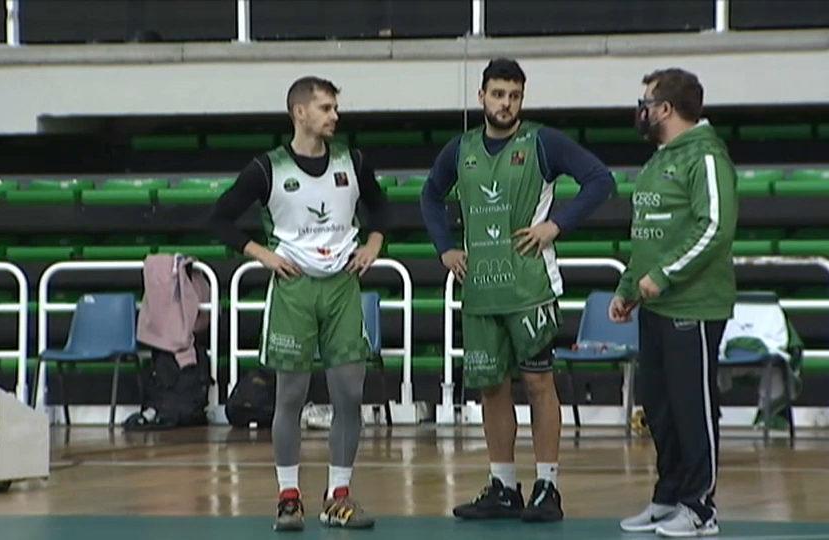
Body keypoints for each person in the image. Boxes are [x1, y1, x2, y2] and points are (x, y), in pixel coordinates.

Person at [420, 58, 616, 523]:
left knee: (538, 383)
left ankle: (547, 486)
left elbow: (600, 179)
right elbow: (430, 195)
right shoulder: (460, 148)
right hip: (480, 289)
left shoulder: (543, 142)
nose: (506, 103)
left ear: (521, 100)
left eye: (514, 95)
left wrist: (557, 224)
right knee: (490, 387)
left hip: (530, 286)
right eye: (498, 94)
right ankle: (504, 486)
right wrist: (445, 249)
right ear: (481, 97)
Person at [208, 76, 388, 532]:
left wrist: (374, 244)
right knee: (290, 395)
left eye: (335, 108)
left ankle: (339, 496)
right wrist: (262, 254)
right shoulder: (267, 168)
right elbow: (220, 218)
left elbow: (382, 209)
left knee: (349, 393)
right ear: (300, 113)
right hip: (294, 289)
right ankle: (289, 497)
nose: (334, 116)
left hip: (343, 285)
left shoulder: (353, 160)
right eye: (326, 108)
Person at [612, 68, 738, 538]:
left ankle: (700, 508)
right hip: (656, 310)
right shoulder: (659, 159)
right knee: (660, 408)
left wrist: (663, 276)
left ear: (665, 109)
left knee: (693, 408)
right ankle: (669, 498)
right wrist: (628, 289)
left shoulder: (705, 157)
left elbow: (715, 227)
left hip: (694, 307)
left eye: (645, 102)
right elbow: (646, 237)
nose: (640, 111)